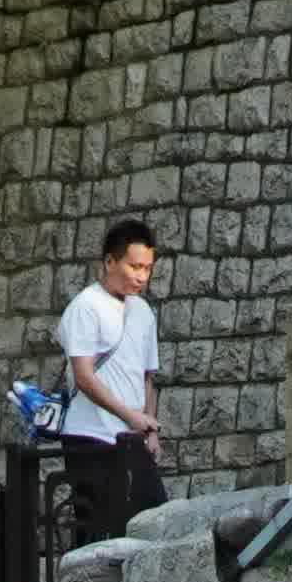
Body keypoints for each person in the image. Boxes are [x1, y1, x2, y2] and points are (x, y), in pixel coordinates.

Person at [54, 217, 169, 548]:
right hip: (90, 436)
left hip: (131, 439)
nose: (141, 276)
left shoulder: (144, 312)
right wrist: (130, 416)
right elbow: (84, 376)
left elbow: (146, 376)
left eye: (147, 268)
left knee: (151, 521)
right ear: (109, 261)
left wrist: (149, 427)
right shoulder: (86, 307)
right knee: (99, 532)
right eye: (134, 266)